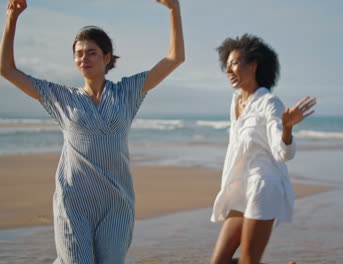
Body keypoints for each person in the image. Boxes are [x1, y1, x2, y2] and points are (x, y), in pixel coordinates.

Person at [0, 0, 184, 263]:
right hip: (74, 202)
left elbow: (175, 58)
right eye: (78, 53)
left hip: (116, 205)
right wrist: (12, 18)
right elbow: (6, 69)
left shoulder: (127, 92)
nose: (83, 58)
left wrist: (173, 9)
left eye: (91, 52)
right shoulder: (61, 98)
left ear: (107, 57)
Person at [210, 34, 316, 264]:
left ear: (254, 64)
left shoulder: (270, 103)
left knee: (249, 260)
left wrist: (287, 128)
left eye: (235, 63)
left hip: (263, 187)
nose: (229, 70)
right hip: (240, 187)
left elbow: (283, 154)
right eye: (226, 65)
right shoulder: (236, 101)